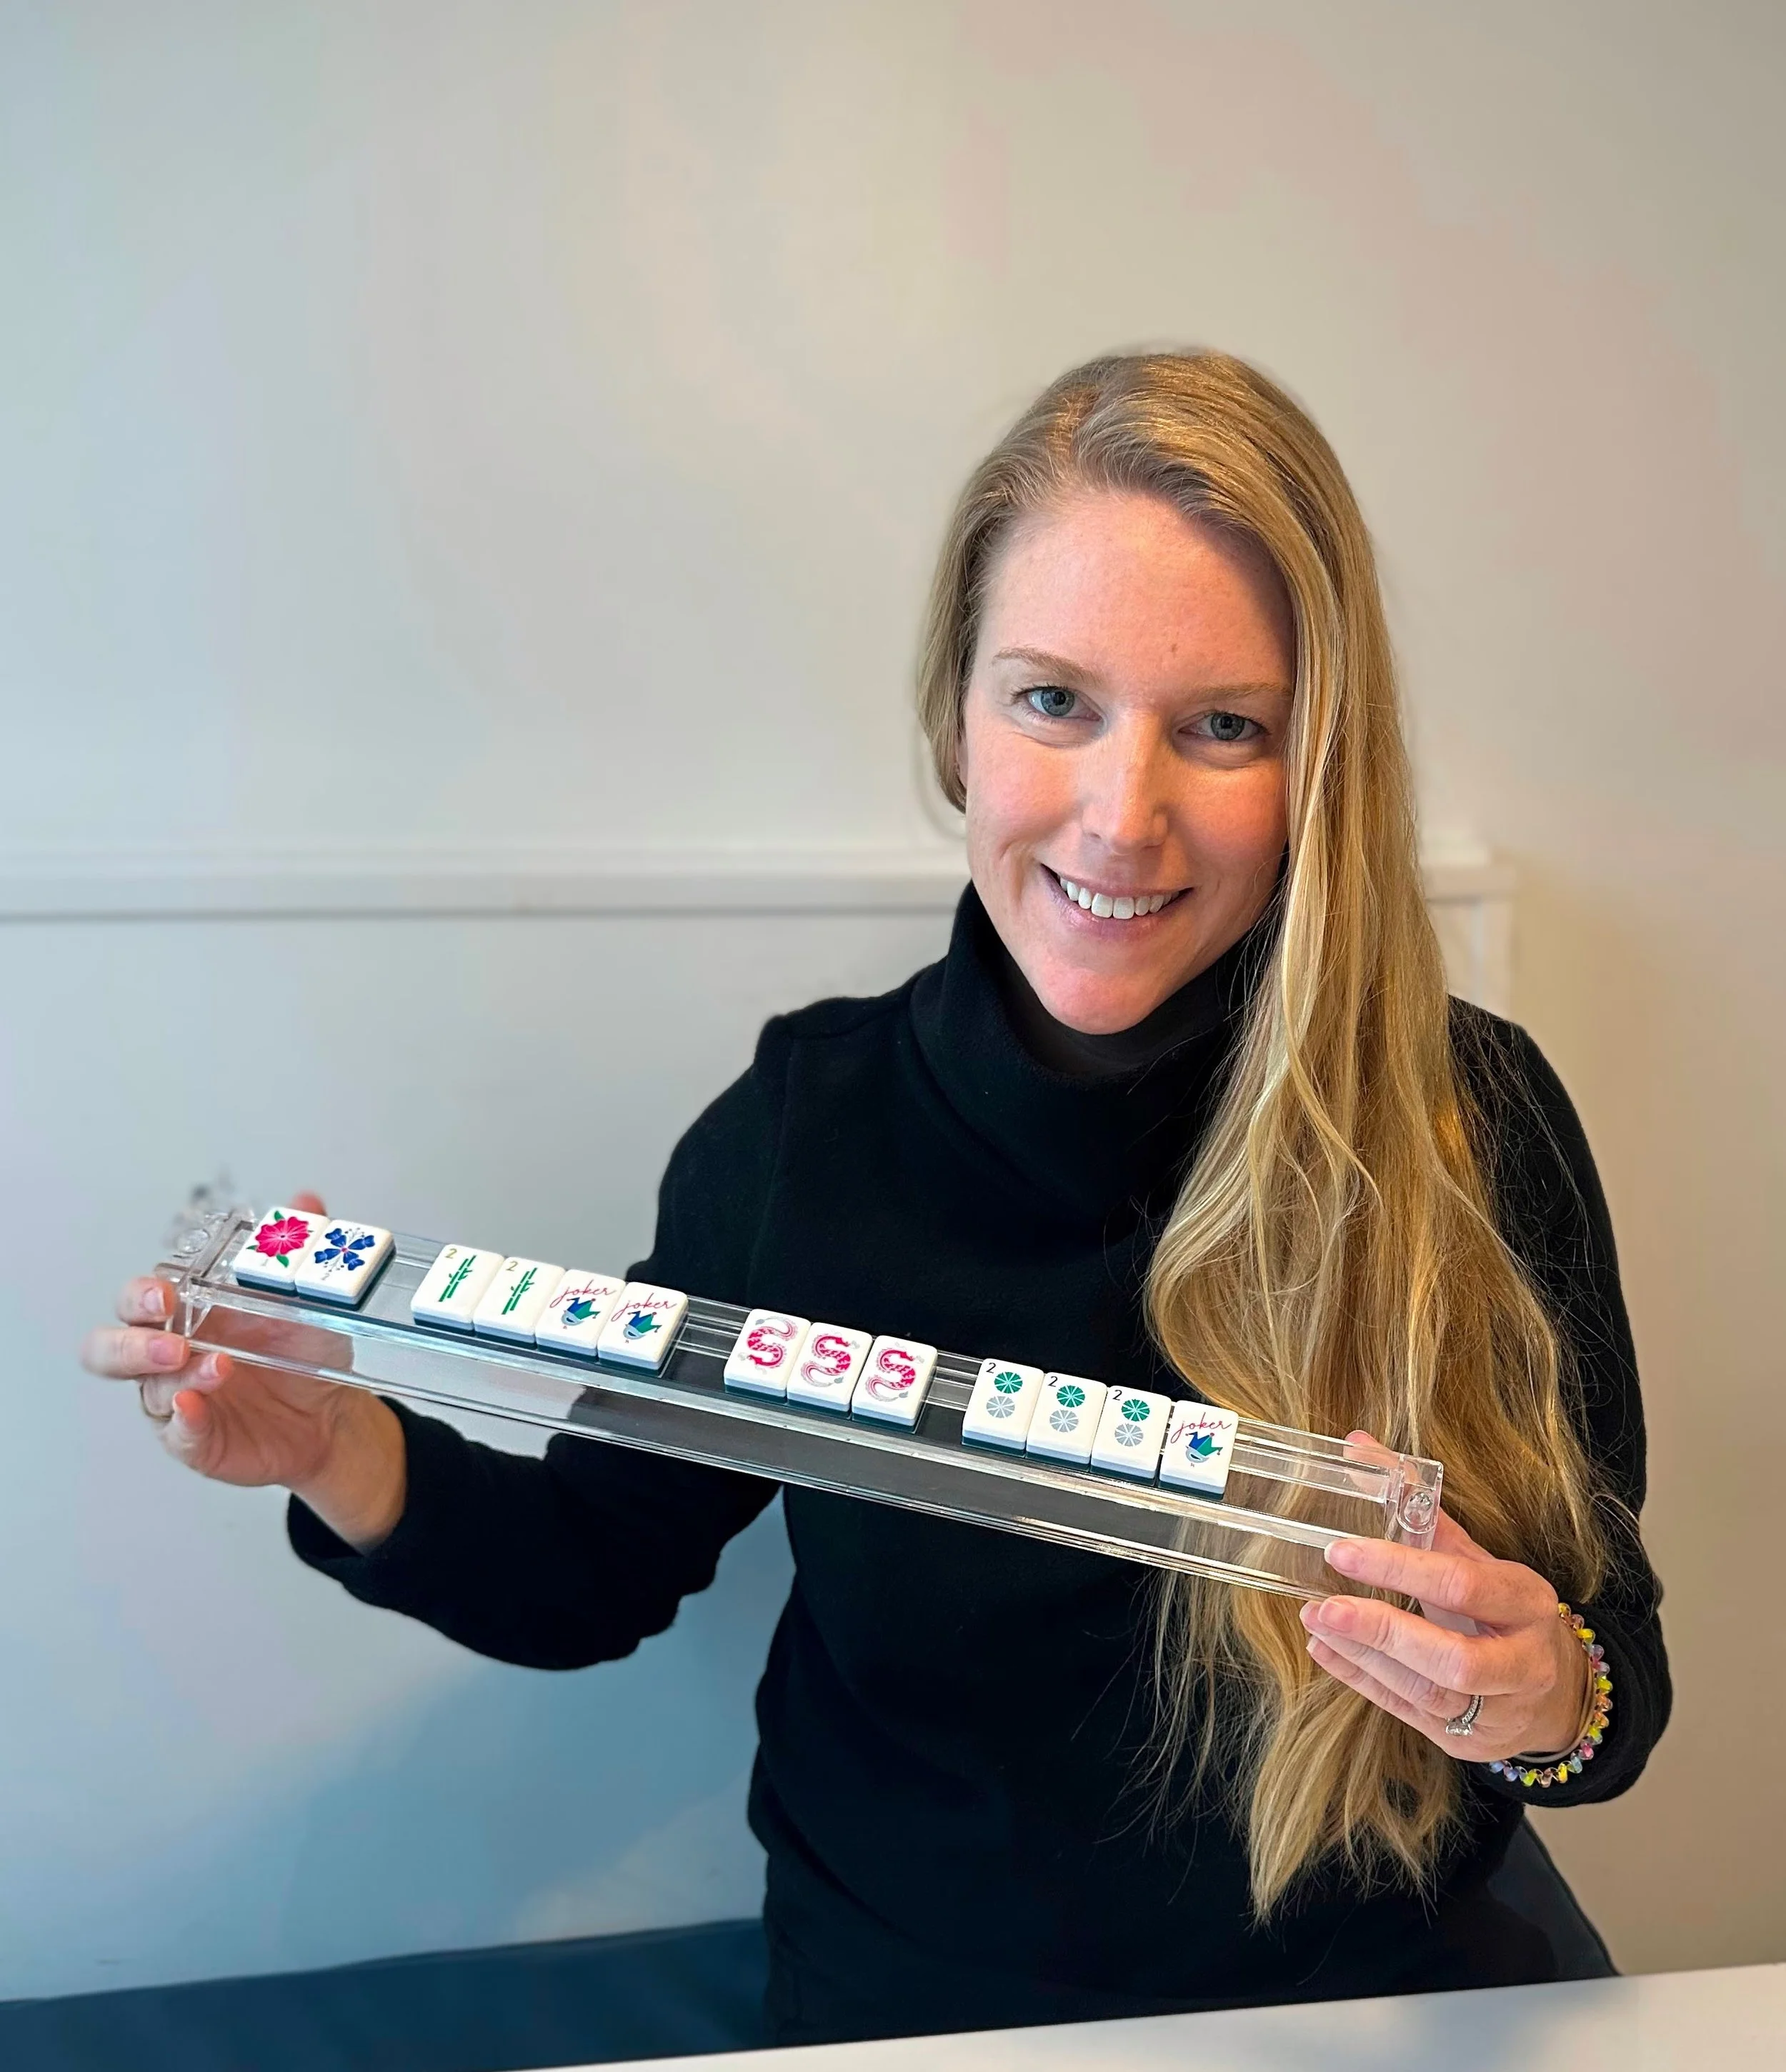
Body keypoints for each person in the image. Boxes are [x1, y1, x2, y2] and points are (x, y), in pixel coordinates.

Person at [84, 351, 1668, 2044]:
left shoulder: (1467, 1118)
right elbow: (588, 1568)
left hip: (1382, 2008)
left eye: (1222, 727)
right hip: (906, 2009)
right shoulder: (803, 1132)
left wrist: (1539, 1696)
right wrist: (335, 1444)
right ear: (954, 723)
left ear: (1316, 771)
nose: (1119, 818)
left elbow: (1607, 1683)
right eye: (1052, 702)